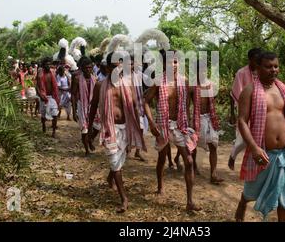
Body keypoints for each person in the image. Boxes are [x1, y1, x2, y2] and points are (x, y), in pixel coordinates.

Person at [234, 51, 285, 222]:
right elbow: (242, 121)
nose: (273, 70)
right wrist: (254, 148)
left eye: (276, 66)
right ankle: (242, 204)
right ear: (258, 68)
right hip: (262, 155)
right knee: (250, 193)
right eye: (268, 67)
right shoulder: (249, 91)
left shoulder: (284, 89)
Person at [143, 50, 200, 212]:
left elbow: (192, 101)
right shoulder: (158, 82)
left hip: (180, 125)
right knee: (162, 157)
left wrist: (192, 122)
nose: (173, 65)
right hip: (163, 125)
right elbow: (145, 101)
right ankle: (160, 185)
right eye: (169, 62)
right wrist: (152, 124)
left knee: (188, 161)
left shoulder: (185, 82)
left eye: (175, 62)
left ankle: (189, 201)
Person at [88, 52, 142, 213]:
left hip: (125, 128)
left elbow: (134, 108)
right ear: (107, 67)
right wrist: (91, 129)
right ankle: (124, 198)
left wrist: (138, 127)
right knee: (115, 160)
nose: (117, 68)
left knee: (120, 159)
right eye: (113, 66)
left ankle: (110, 177)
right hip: (109, 129)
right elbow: (93, 107)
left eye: (120, 65)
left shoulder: (128, 84)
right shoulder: (100, 85)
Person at [228, 48, 262, 171]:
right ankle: (233, 155)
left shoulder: (261, 72)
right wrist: (232, 113)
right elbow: (233, 94)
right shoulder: (241, 73)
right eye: (255, 60)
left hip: (259, 109)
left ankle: (255, 166)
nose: (257, 62)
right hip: (245, 108)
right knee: (243, 137)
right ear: (250, 60)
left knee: (258, 137)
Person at [191, 59, 223, 184]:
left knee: (213, 145)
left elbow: (213, 100)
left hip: (210, 118)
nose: (203, 72)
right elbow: (187, 103)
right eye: (200, 70)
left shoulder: (211, 84)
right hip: (197, 118)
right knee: (193, 146)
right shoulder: (192, 86)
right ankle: (193, 166)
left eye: (204, 69)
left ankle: (213, 174)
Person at [71, 57, 98, 156]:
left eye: (90, 68)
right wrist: (74, 112)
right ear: (82, 68)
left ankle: (90, 140)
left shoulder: (95, 78)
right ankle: (86, 150)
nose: (88, 70)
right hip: (82, 106)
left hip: (93, 106)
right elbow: (73, 95)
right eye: (86, 68)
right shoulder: (77, 79)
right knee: (85, 129)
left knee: (97, 127)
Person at [36, 57, 60, 137]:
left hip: (52, 97)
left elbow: (55, 87)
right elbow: (37, 86)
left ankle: (53, 132)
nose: (48, 66)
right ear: (43, 65)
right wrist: (40, 95)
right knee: (43, 116)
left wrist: (57, 97)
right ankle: (43, 125)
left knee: (55, 114)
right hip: (43, 97)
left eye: (49, 64)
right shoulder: (40, 74)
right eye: (46, 64)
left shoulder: (52, 74)